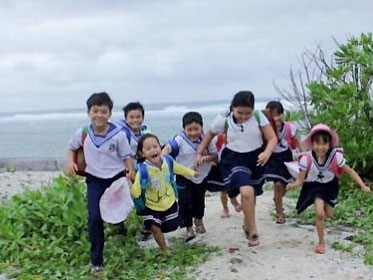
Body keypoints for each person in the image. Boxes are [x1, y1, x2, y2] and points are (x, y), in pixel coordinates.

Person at [195, 91, 277, 247]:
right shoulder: (224, 118)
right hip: (234, 159)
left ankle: (247, 224)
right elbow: (209, 135)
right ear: (233, 108)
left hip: (256, 158)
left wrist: (267, 152)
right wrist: (199, 152)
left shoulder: (259, 117)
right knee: (247, 191)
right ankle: (253, 230)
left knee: (251, 196)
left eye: (248, 113)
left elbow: (272, 138)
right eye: (240, 112)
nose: (244, 116)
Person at [66, 92, 135, 273]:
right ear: (89, 112)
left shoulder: (118, 135)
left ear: (110, 114)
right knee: (95, 218)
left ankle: (120, 227)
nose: (99, 115)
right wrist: (71, 163)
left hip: (116, 179)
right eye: (95, 111)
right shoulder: (82, 133)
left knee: (119, 210)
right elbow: (71, 148)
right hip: (94, 181)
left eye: (103, 111)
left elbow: (127, 157)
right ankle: (96, 260)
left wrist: (131, 172)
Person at [286, 124, 371, 254]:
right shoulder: (306, 159)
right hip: (314, 186)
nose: (320, 147)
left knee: (329, 214)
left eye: (324, 144)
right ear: (312, 144)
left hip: (330, 186)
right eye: (317, 143)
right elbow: (301, 179)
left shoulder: (336, 157)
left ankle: (326, 209)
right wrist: (293, 185)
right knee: (320, 214)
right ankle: (321, 243)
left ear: (329, 144)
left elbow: (350, 171)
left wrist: (362, 185)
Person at [130, 134, 196, 257]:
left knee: (171, 226)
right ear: (142, 153)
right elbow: (136, 192)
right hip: (150, 205)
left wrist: (192, 173)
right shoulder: (143, 170)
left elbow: (179, 168)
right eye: (148, 148)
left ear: (160, 147)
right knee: (155, 226)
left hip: (169, 201)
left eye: (155, 146)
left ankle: (160, 230)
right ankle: (165, 250)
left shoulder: (168, 162)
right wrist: (130, 185)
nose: (153, 150)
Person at [162, 112, 218, 241]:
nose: (193, 133)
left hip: (201, 175)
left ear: (202, 127)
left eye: (196, 129)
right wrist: (164, 155)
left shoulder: (207, 139)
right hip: (183, 175)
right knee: (185, 202)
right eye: (189, 130)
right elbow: (169, 147)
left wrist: (205, 158)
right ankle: (188, 228)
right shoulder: (180, 139)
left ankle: (199, 220)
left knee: (199, 200)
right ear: (184, 129)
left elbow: (216, 156)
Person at [263, 101, 301, 224]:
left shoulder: (290, 128)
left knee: (285, 185)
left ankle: (277, 199)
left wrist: (303, 156)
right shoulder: (264, 129)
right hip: (272, 157)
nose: (276, 118)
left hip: (286, 157)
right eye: (272, 115)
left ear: (282, 115)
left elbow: (300, 143)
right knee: (278, 184)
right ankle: (280, 214)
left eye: (278, 114)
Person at [116, 101, 151, 237]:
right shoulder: (123, 133)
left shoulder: (145, 132)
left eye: (138, 117)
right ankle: (120, 227)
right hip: (125, 172)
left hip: (141, 171)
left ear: (143, 118)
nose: (135, 120)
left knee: (144, 197)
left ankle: (147, 225)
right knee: (122, 199)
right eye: (131, 117)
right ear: (126, 118)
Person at [207, 133, 242, 218]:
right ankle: (226, 208)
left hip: (232, 164)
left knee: (234, 186)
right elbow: (208, 148)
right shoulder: (216, 139)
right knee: (223, 189)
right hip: (219, 165)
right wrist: (210, 161)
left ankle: (234, 201)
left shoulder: (236, 138)